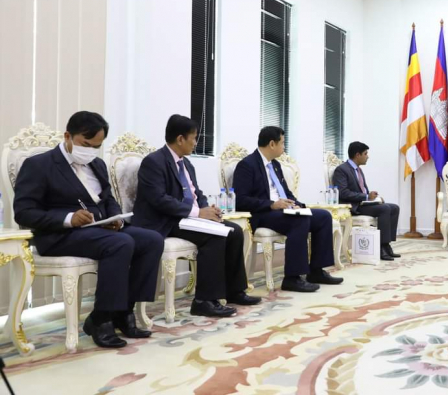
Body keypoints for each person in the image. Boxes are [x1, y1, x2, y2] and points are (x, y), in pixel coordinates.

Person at [13, 111, 164, 349]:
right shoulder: (38, 165)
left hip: (99, 230)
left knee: (152, 240)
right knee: (120, 243)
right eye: (86, 145)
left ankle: (124, 311)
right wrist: (68, 219)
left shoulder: (97, 164)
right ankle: (101, 319)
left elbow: (108, 199)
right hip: (60, 235)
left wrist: (116, 218)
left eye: (97, 146)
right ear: (67, 136)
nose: (91, 151)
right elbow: (23, 212)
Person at [132, 115, 260, 319]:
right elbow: (159, 200)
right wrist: (198, 213)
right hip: (165, 221)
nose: (196, 143)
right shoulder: (154, 162)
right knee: (215, 236)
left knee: (234, 231)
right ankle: (203, 301)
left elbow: (196, 193)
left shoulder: (187, 164)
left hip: (188, 219)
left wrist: (207, 209)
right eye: (194, 138)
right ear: (180, 139)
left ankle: (234, 291)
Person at [233, 126, 343, 292]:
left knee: (323, 216)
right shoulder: (247, 165)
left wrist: (297, 204)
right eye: (282, 143)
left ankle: (316, 271)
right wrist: (271, 204)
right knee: (300, 221)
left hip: (284, 211)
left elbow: (286, 192)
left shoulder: (275, 165)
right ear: (272, 144)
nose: (284, 147)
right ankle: (292, 278)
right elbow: (241, 200)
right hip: (263, 213)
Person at [333, 142, 401, 261]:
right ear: (357, 155)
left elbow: (363, 191)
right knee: (384, 209)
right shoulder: (342, 170)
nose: (367, 156)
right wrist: (366, 196)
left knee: (394, 207)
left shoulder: (358, 170)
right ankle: (381, 247)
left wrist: (374, 198)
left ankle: (387, 245)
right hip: (353, 206)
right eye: (365, 154)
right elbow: (343, 193)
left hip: (363, 203)